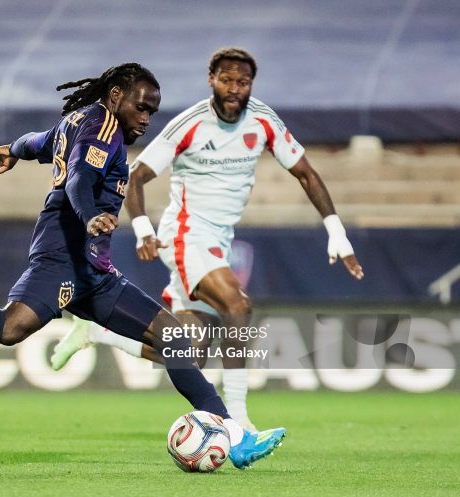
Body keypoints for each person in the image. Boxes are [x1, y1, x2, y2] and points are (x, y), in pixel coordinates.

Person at [0, 63, 285, 469]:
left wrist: (11, 148)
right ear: (115, 97)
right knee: (8, 329)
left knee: (172, 339)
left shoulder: (79, 121)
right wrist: (91, 217)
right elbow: (77, 181)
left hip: (96, 269)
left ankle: (236, 434)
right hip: (64, 256)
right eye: (141, 108)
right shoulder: (102, 130)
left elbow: (39, 143)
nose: (145, 119)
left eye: (152, 112)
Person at [50, 47, 364, 431]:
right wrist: (144, 230)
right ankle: (240, 422)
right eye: (226, 80)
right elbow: (137, 175)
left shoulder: (263, 121)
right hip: (185, 233)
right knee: (238, 306)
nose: (234, 89)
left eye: (243, 82)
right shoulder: (191, 124)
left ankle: (98, 333)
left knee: (188, 351)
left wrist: (336, 230)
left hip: (219, 241)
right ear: (211, 80)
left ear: (251, 85)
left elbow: (306, 173)